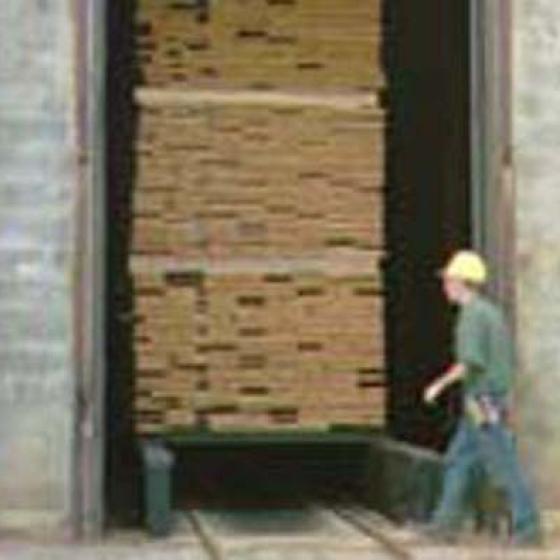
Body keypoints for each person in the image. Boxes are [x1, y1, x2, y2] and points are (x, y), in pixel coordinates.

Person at [423, 250, 542, 546]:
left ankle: (528, 527)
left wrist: (437, 386)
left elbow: (470, 363)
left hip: (483, 400)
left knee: (504, 463)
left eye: (449, 280)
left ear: (462, 282)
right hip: (485, 400)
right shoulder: (490, 312)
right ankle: (443, 525)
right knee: (458, 460)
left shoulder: (472, 316)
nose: (445, 285)